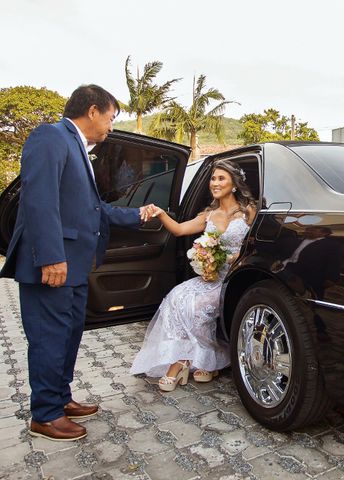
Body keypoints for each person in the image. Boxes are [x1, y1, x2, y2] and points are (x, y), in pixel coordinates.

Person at [0, 85, 156, 441]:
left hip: (76, 266)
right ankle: (45, 415)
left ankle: (60, 398)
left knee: (68, 337)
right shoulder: (50, 136)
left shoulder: (79, 149)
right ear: (92, 110)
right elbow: (40, 201)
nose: (112, 127)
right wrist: (51, 257)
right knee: (49, 339)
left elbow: (93, 210)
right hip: (54, 265)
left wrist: (138, 215)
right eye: (112, 118)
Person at [130, 160, 256, 391]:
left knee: (196, 307)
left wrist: (231, 258)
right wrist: (160, 213)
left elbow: (256, 246)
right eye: (213, 178)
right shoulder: (208, 214)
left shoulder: (249, 211)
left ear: (234, 184)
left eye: (221, 178)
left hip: (235, 279)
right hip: (211, 277)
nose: (215, 183)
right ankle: (185, 361)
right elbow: (179, 229)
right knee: (176, 298)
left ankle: (198, 362)